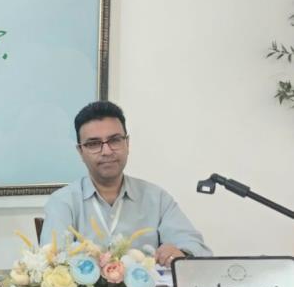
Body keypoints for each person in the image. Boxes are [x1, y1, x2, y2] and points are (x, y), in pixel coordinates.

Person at [40, 100, 210, 264]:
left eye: (114, 140)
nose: (106, 151)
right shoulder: (63, 202)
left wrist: (183, 253)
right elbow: (52, 261)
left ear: (127, 143)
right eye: (94, 144)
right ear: (80, 152)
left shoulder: (157, 198)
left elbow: (198, 249)